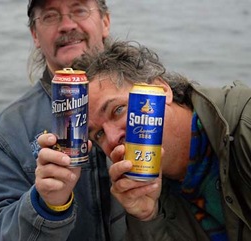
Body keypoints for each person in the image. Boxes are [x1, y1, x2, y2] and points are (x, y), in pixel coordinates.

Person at [69, 40, 251, 240]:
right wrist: (146, 219)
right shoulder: (150, 191)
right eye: (99, 135)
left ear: (162, 90)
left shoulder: (244, 125)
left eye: (118, 110)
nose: (112, 138)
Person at [0, 1, 126, 241]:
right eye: (50, 16)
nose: (67, 25)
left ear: (105, 22)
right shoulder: (3, 136)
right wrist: (45, 205)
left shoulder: (155, 100)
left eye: (79, 10)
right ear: (35, 35)